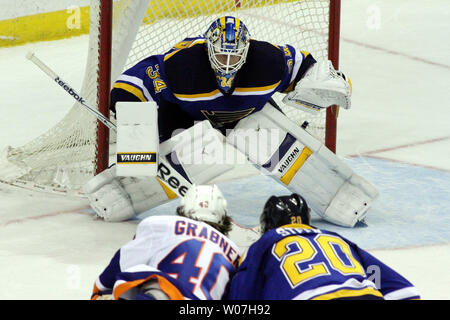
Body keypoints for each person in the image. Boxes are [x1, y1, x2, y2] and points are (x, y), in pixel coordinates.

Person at [84, 16, 379, 229]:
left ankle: (340, 196)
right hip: (186, 115)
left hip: (245, 114)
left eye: (234, 55)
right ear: (208, 49)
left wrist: (328, 83)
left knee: (259, 138)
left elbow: (306, 68)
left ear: (247, 50)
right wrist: (134, 124)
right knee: (200, 153)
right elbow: (135, 82)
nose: (227, 63)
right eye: (221, 56)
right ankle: (121, 188)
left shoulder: (268, 61)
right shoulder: (183, 65)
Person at [226, 193, 421, 300]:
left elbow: (241, 296)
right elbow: (406, 292)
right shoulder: (337, 239)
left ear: (268, 224)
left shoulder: (264, 244)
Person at [91, 184, 240, 300]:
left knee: (138, 284)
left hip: (161, 295)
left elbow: (123, 261)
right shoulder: (235, 255)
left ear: (184, 209)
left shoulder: (163, 225)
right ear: (223, 218)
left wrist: (99, 290)